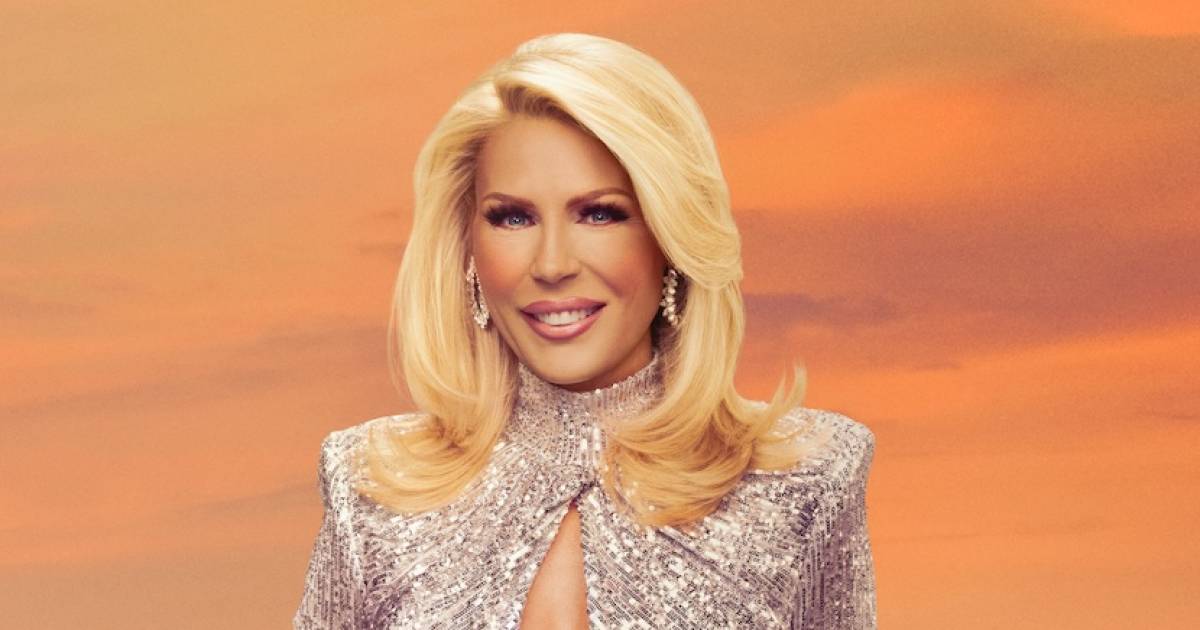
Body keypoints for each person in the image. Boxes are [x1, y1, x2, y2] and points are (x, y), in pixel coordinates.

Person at [294, 32, 876, 629]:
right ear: (468, 249)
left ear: (671, 239)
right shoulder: (371, 485)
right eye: (513, 218)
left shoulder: (804, 480)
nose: (552, 265)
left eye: (599, 213)